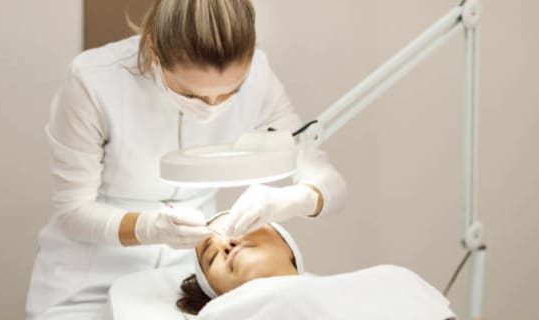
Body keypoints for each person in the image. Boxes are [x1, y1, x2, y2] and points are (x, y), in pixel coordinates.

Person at [25, 1, 347, 319]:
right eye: (192, 95)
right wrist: (148, 228)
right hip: (86, 281)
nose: (212, 107)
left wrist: (290, 200)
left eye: (231, 93)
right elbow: (73, 211)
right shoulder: (94, 82)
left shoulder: (259, 77)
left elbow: (328, 182)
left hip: (182, 283)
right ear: (153, 49)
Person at [177, 212, 456, 320]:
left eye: (238, 227)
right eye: (211, 257)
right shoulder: (222, 313)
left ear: (288, 246)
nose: (226, 245)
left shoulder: (391, 278)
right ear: (216, 291)